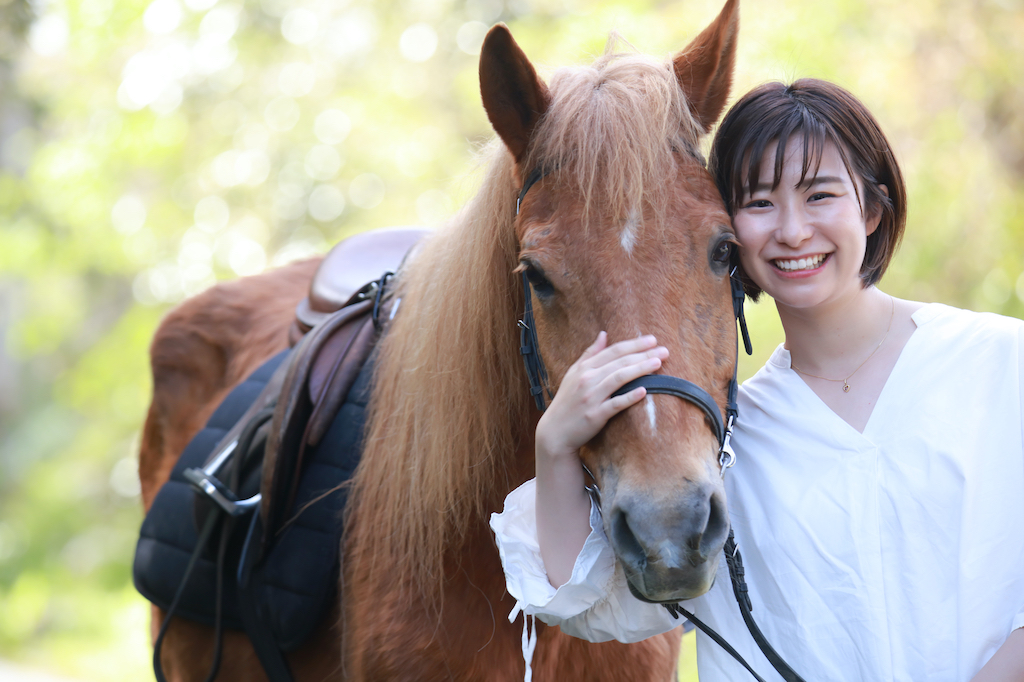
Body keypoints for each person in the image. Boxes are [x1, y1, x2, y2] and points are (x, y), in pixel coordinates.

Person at [490, 79, 1024, 681]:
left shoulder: (1002, 365)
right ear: (730, 226)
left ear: (872, 210)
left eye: (820, 195)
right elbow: (589, 606)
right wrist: (554, 443)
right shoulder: (728, 447)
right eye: (761, 203)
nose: (793, 231)